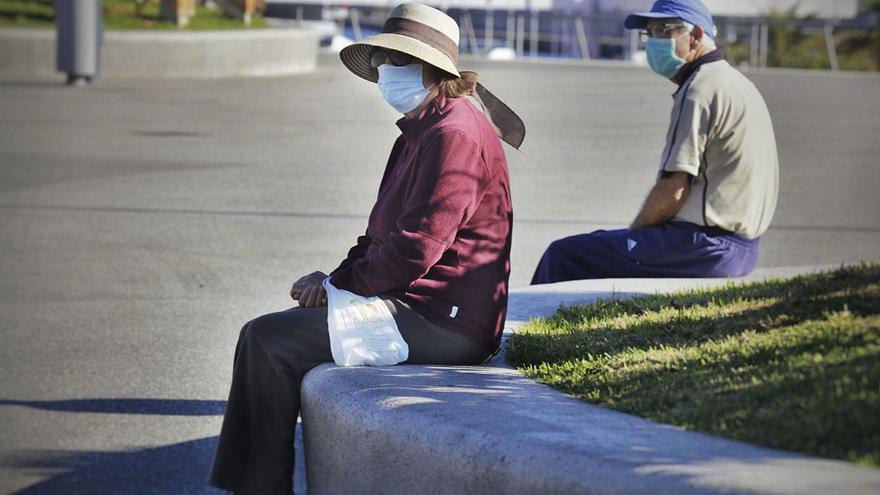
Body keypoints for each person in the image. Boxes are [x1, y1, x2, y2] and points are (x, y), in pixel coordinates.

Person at [208, 3, 524, 494]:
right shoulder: (423, 129)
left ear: (429, 69)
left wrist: (339, 290)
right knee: (265, 337)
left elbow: (415, 250)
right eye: (380, 61)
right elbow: (379, 237)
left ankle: (259, 488)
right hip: (417, 305)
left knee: (269, 342)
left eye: (393, 61)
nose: (383, 72)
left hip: (445, 322)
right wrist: (334, 281)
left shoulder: (454, 134)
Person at [531, 0, 779, 284]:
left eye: (663, 30)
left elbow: (673, 190)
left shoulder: (700, 88)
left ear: (696, 35)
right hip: (743, 248)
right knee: (597, 248)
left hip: (705, 246)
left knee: (565, 255)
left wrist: (635, 234)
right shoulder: (736, 82)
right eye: (650, 33)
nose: (654, 42)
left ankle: (528, 329)